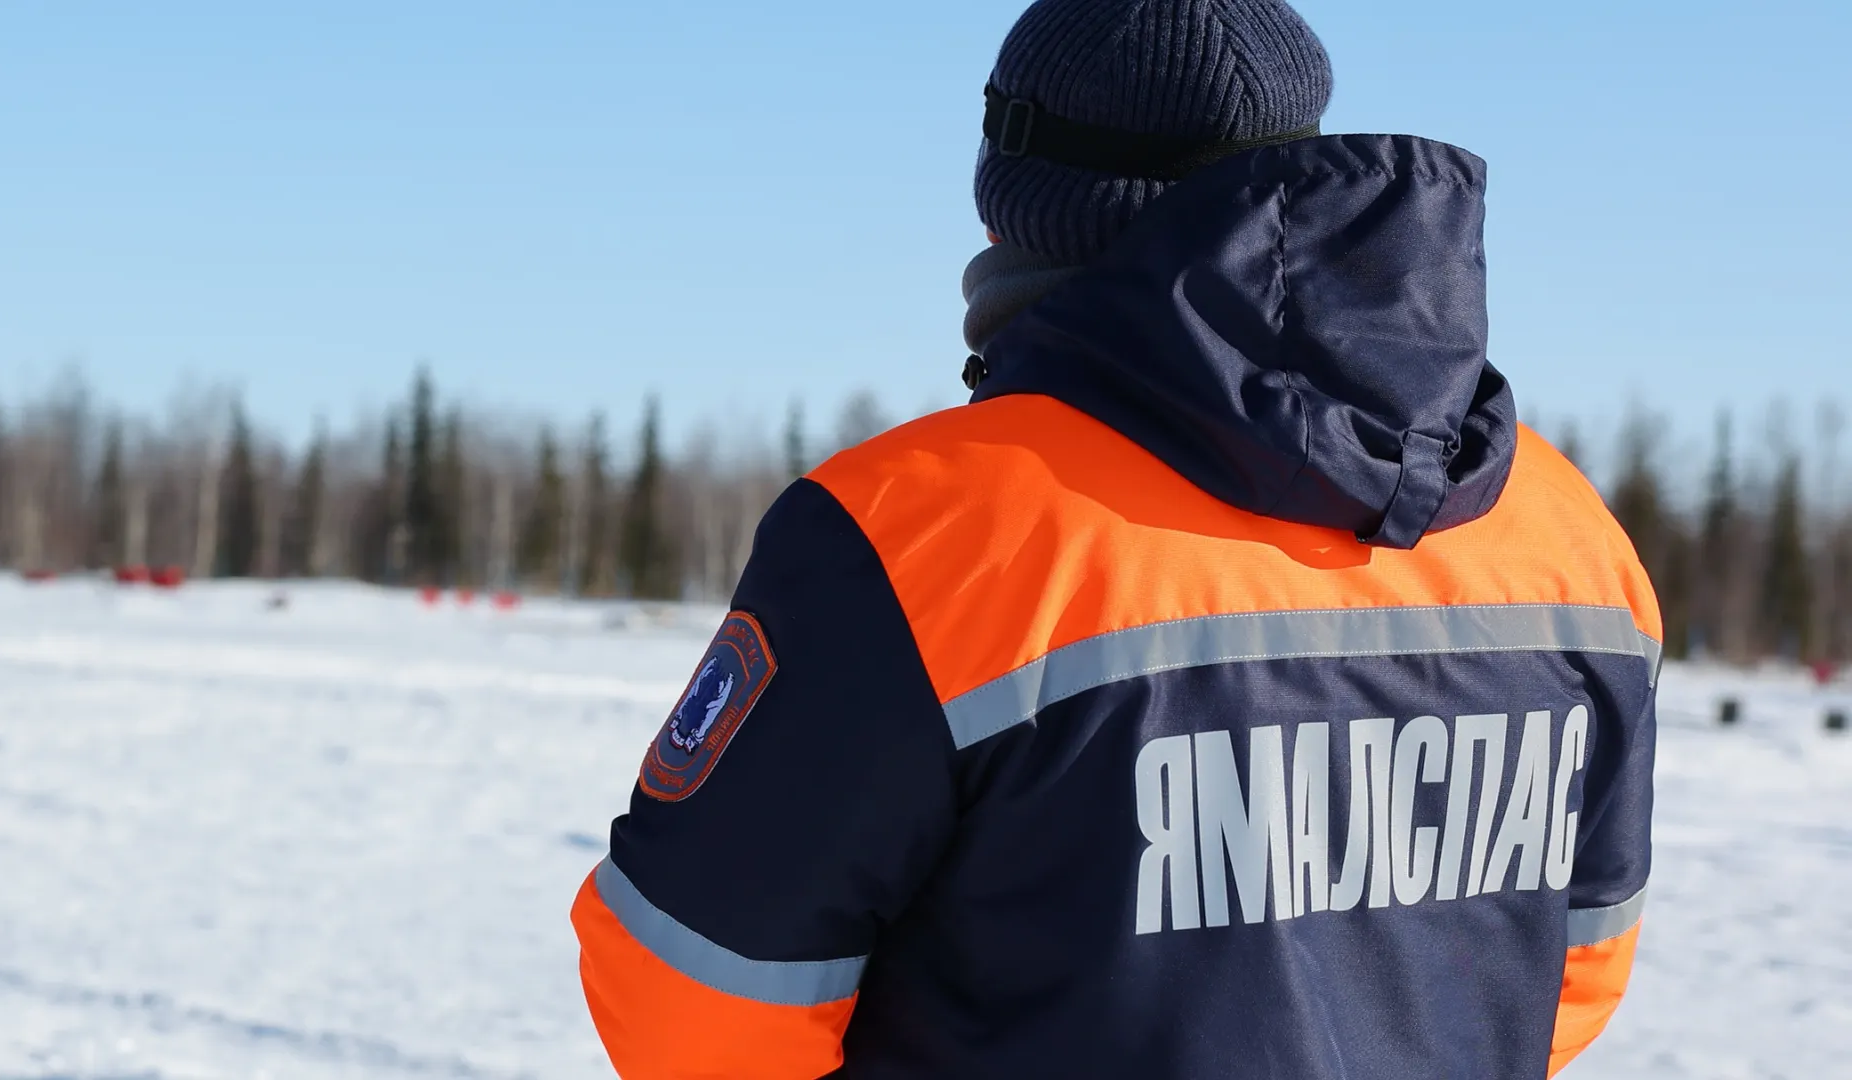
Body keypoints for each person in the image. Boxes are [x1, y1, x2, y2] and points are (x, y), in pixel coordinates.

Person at [572, 1, 1657, 1076]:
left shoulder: (916, 531)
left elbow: (694, 1001)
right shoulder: (1564, 532)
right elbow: (1571, 973)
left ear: (1013, 202)